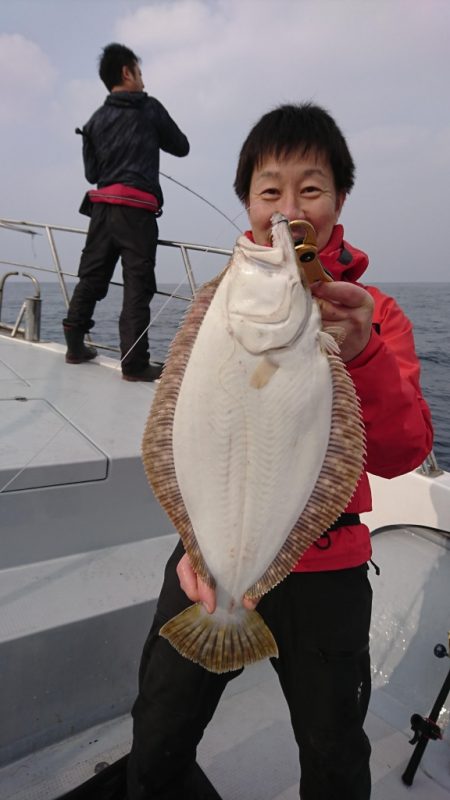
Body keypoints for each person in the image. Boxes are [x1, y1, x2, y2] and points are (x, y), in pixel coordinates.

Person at [126, 103, 433, 798]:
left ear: (339, 199)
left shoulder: (374, 316)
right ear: (248, 202)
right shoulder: (220, 302)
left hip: (329, 570)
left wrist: (363, 353)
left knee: (333, 758)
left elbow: (401, 453)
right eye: (270, 190)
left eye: (311, 188)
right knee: (158, 734)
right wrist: (194, 548)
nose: (289, 207)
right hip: (210, 554)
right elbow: (190, 429)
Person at [63, 43, 189, 382]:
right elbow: (181, 146)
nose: (144, 82)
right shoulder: (149, 108)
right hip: (137, 215)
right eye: (141, 73)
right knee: (137, 286)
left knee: (91, 277)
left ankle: (75, 345)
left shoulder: (94, 121)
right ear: (127, 73)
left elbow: (92, 174)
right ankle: (133, 365)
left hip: (102, 210)